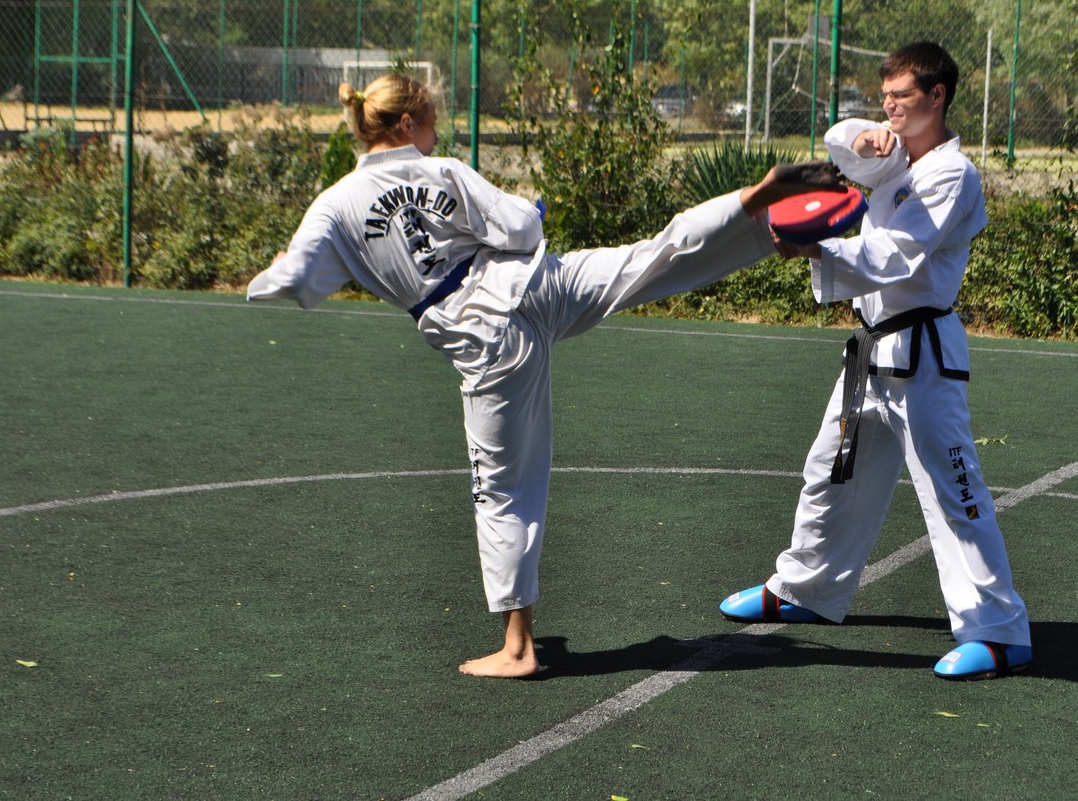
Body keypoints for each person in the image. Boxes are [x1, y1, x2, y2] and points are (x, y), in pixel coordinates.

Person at [246, 73, 847, 678]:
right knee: (649, 257)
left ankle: (517, 649)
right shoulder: (443, 171)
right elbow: (521, 229)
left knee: (501, 488)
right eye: (431, 124)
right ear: (407, 124)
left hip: (486, 336)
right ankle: (758, 207)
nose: (435, 135)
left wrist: (276, 269)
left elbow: (290, 282)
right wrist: (525, 211)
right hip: (539, 284)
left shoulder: (335, 204)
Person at [717, 42, 1032, 681]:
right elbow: (841, 144)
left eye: (901, 96)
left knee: (953, 492)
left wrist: (816, 248)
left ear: (937, 96)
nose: (888, 107)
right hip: (870, 353)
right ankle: (806, 589)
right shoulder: (894, 158)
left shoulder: (952, 173)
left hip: (923, 360)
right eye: (883, 96)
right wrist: (860, 138)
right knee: (830, 472)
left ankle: (998, 632)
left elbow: (897, 253)